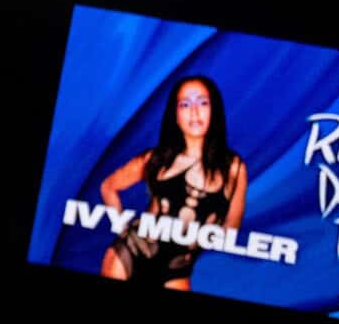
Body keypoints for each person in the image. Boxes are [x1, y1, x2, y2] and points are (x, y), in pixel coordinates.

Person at [98, 74, 248, 289]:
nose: (194, 112)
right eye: (185, 104)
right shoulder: (156, 159)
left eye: (203, 103)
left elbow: (231, 230)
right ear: (175, 116)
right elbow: (108, 186)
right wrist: (122, 228)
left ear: (214, 111)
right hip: (130, 251)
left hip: (177, 268)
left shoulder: (234, 168)